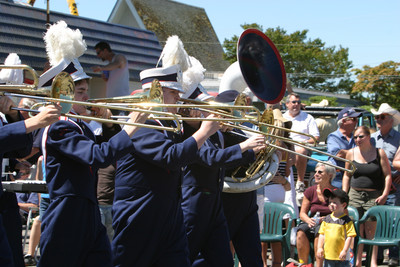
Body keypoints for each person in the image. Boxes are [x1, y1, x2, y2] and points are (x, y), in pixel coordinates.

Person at [111, 65, 221, 267]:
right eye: (173, 93)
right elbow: (171, 156)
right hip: (140, 214)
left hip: (169, 215)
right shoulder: (140, 125)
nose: (179, 98)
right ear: (156, 93)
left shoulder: (169, 126)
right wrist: (203, 132)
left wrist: (195, 126)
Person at [0, 95, 61, 267]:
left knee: (12, 257)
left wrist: (12, 116)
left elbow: (21, 149)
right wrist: (30, 123)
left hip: (4, 199)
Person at [342, 126, 392, 267]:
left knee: (371, 230)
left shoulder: (379, 152)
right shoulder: (351, 153)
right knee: (355, 229)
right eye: (355, 137)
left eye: (361, 136)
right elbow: (346, 175)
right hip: (355, 194)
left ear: (369, 137)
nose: (358, 139)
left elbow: (388, 175)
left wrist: (384, 194)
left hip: (373, 195)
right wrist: (344, 195)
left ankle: (373, 261)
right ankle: (356, 261)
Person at [370, 103, 400, 266]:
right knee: (377, 219)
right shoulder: (372, 139)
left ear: (391, 119)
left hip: (395, 186)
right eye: (377, 117)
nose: (378, 120)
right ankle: (378, 254)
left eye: (382, 117)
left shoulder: (399, 138)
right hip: (377, 185)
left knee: (394, 219)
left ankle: (394, 254)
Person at [296, 162, 336, 267]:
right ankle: (304, 265)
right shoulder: (310, 191)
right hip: (313, 221)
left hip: (331, 224)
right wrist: (308, 220)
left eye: (320, 172)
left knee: (319, 232)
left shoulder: (336, 192)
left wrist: (327, 218)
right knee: (300, 232)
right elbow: (302, 214)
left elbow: (343, 214)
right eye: (315, 172)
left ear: (330, 175)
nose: (316, 174)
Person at [283, 93, 320, 200]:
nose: (296, 104)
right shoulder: (282, 117)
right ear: (287, 104)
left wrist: (304, 142)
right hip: (285, 147)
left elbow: (315, 137)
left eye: (298, 102)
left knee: (300, 150)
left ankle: (300, 183)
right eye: (294, 102)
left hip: (302, 147)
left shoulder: (308, 118)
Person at [317, 188, 356, 267]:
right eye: (330, 202)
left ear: (343, 205)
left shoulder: (346, 221)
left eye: (334, 202)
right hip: (328, 255)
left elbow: (350, 236)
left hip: (342, 257)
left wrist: (345, 250)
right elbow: (322, 234)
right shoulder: (326, 219)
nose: (331, 204)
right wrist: (320, 247)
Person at [327, 107, 362, 188]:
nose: (356, 122)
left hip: (354, 175)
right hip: (338, 176)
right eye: (353, 119)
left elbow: (343, 153)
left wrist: (347, 153)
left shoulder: (356, 137)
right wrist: (359, 153)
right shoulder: (333, 136)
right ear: (343, 121)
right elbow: (338, 154)